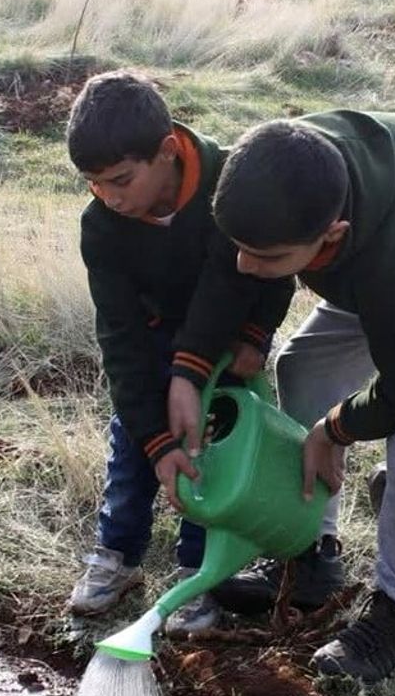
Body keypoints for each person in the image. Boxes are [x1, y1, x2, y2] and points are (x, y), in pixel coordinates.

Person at [167, 110, 395, 679]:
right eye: (241, 245)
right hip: (383, 263)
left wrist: (335, 429)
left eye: (268, 258)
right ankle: (310, 555)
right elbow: (231, 267)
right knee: (303, 368)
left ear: (332, 235)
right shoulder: (270, 175)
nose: (248, 264)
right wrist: (188, 374)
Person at [64, 71, 292, 634]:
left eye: (120, 179)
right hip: (153, 339)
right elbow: (118, 336)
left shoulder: (231, 184)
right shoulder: (101, 228)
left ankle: (198, 573)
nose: (110, 197)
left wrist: (256, 336)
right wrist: (155, 436)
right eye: (94, 184)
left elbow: (274, 269)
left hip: (226, 344)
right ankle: (117, 554)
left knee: (211, 450)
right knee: (135, 443)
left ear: (167, 151)